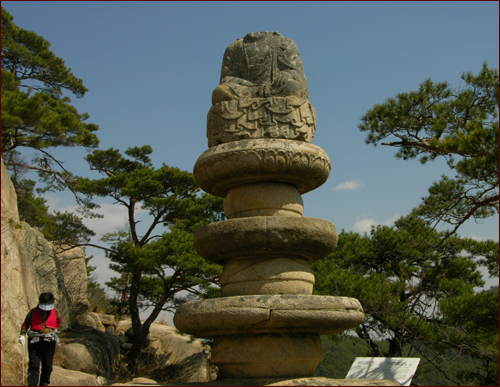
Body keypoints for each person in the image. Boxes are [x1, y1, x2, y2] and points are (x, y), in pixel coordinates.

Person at [19, 292, 61, 386]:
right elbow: (26, 324)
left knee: (48, 366)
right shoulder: (33, 312)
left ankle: (44, 383)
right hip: (34, 342)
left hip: (49, 342)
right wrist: (22, 335)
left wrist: (50, 332)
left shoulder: (56, 312)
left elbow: (58, 322)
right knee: (34, 365)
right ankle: (32, 384)